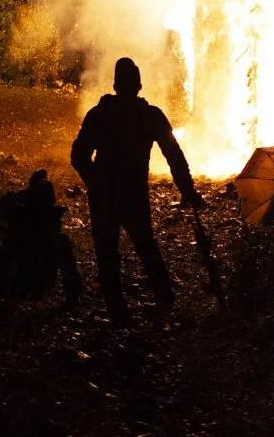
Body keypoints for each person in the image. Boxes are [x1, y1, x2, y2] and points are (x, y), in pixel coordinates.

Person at [69, 57, 203, 323]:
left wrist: (96, 182)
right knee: (145, 245)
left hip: (105, 195)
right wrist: (187, 192)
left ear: (116, 85)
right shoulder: (149, 116)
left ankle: (119, 313)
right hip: (133, 193)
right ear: (139, 86)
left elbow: (79, 155)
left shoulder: (101, 114)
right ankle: (165, 301)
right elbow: (174, 156)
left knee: (108, 253)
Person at [0, 169, 82, 307]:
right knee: (62, 241)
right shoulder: (49, 217)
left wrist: (20, 195)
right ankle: (73, 296)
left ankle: (7, 296)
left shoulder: (20, 215)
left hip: (26, 282)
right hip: (35, 282)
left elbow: (5, 207)